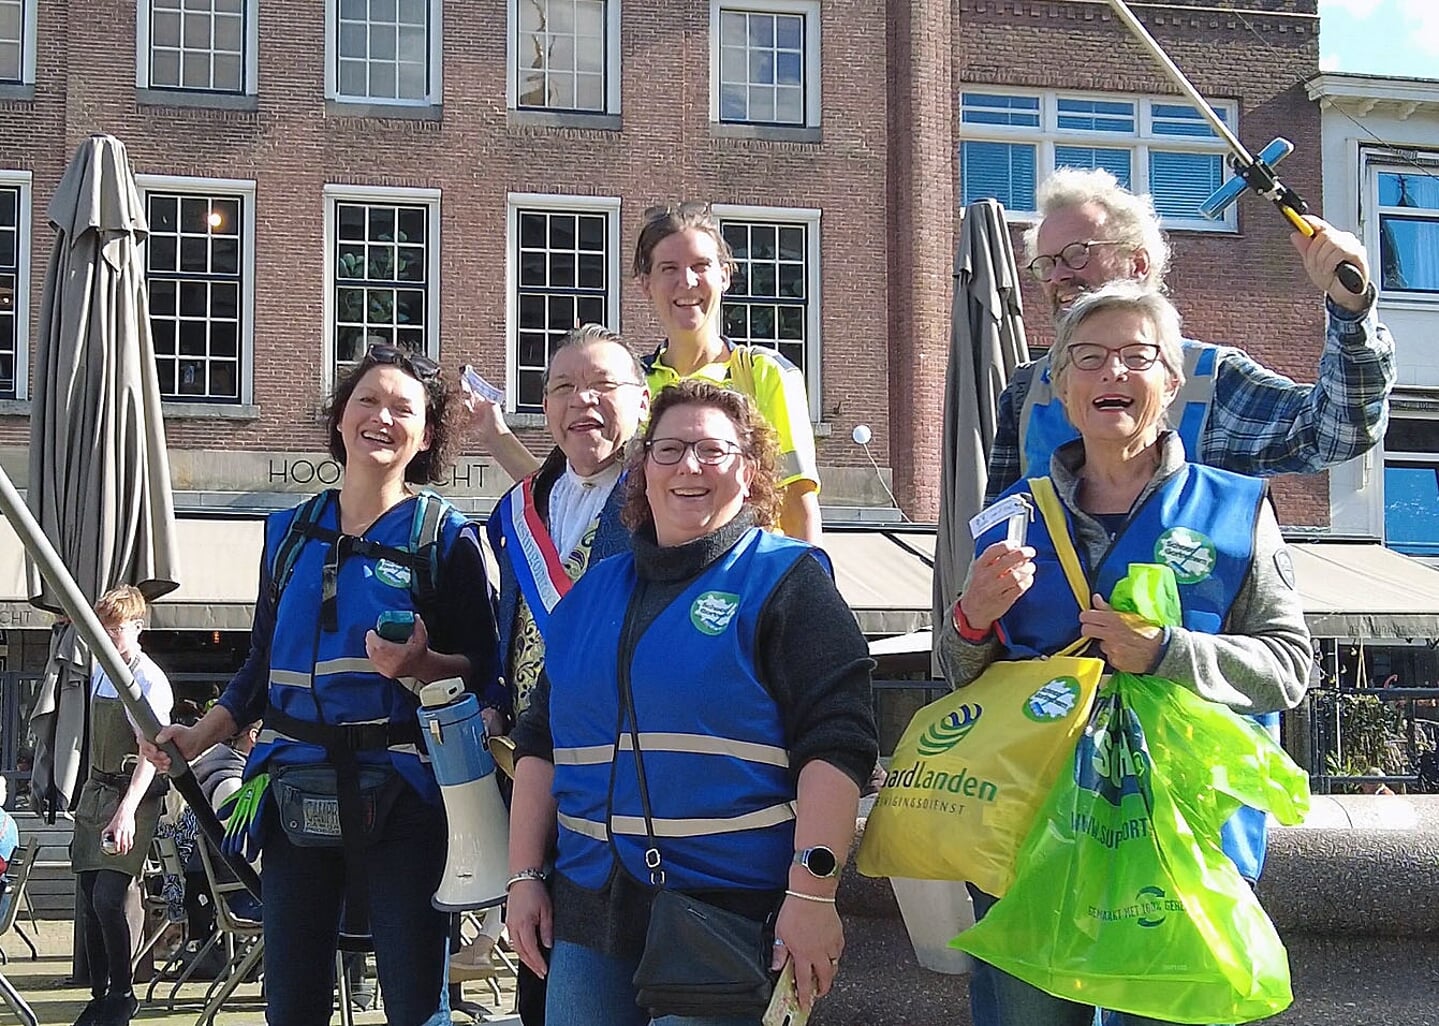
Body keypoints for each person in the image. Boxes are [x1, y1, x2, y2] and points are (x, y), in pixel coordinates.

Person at [939, 282, 1312, 1026]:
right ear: (1061, 388)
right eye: (1087, 358)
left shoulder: (1234, 508)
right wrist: (971, 621)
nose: (1111, 373)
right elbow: (959, 679)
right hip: (1028, 839)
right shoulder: (1010, 516)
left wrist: (1169, 651)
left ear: (1170, 383)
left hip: (1180, 844)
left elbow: (1288, 667)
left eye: (1135, 357)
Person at [143, 345, 503, 1026]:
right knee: (292, 1002)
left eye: (404, 408)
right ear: (339, 419)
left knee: (414, 1001)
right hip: (291, 792)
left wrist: (421, 666)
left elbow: (482, 671)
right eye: (366, 401)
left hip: (407, 796)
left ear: (426, 435)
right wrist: (198, 736)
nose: (381, 417)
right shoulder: (286, 534)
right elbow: (257, 668)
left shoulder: (446, 538)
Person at [506, 379, 877, 1025]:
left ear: (751, 471)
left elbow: (837, 745)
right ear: (642, 470)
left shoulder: (789, 581)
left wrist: (812, 894)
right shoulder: (591, 594)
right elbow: (540, 741)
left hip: (726, 911)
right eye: (670, 450)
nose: (690, 468)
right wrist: (523, 878)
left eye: (714, 451)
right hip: (589, 909)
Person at [985, 166, 1395, 503]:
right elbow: (995, 533)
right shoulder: (1026, 392)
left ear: (1138, 264)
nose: (1059, 276)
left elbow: (1337, 431)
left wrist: (1350, 311)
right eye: (1046, 264)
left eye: (1077, 254)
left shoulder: (1210, 380)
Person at [472, 203, 822, 544]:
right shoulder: (629, 386)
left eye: (700, 265)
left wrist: (806, 593)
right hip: (657, 584)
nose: (686, 281)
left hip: (741, 583)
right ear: (645, 284)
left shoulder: (764, 374)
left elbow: (797, 505)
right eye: (669, 268)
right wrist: (494, 433)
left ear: (725, 275)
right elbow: (570, 491)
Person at [484, 324, 650, 1026]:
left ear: (642, 402)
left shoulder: (662, 495)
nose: (581, 400)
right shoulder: (518, 509)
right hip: (530, 770)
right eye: (562, 387)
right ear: (544, 407)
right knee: (535, 964)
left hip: (629, 780)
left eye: (602, 386)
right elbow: (509, 629)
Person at [70, 585, 174, 1026]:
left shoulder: (148, 681)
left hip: (134, 794)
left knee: (111, 897)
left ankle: (122, 992)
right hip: (96, 791)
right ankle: (100, 996)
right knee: (90, 896)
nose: (109, 638)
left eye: (116, 629)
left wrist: (127, 809)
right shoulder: (99, 671)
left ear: (137, 628)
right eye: (103, 629)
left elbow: (150, 755)